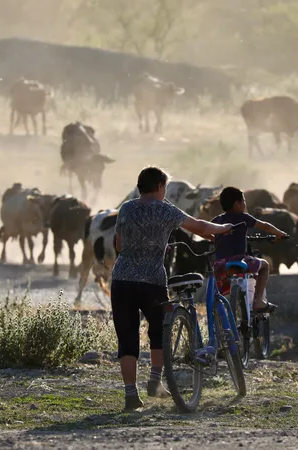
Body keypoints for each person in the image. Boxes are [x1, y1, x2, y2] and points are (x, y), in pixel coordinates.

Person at [111, 166, 233, 412]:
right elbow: (199, 227)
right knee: (158, 332)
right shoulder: (165, 209)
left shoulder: (126, 208)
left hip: (121, 279)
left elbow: (119, 243)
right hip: (152, 281)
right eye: (164, 186)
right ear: (159, 186)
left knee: (127, 337)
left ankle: (130, 395)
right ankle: (155, 382)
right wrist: (223, 228)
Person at [211, 187, 288, 312]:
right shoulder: (243, 217)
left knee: (221, 291)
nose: (245, 204)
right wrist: (280, 233)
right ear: (237, 204)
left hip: (220, 264)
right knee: (265, 266)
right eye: (243, 201)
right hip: (240, 261)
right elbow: (265, 226)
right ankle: (258, 301)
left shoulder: (217, 220)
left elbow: (208, 232)